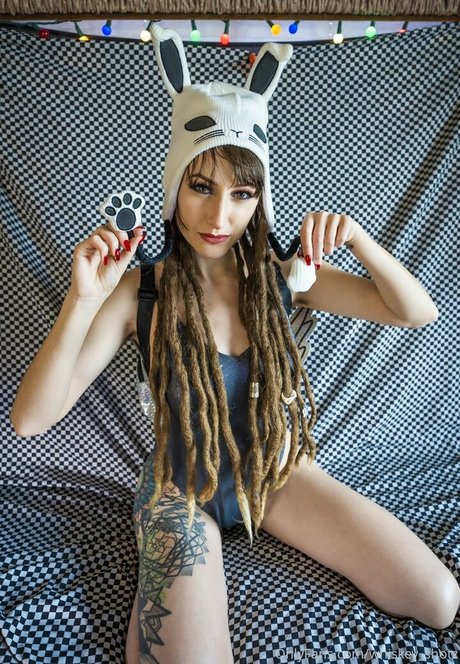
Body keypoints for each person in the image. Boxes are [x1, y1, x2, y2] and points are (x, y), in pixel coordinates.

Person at [10, 25, 459, 664]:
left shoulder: (284, 277)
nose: (219, 217)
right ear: (174, 185)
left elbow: (417, 312)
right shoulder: (139, 290)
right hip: (178, 490)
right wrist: (80, 302)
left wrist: (358, 238)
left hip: (276, 477)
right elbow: (30, 420)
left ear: (260, 197)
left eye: (242, 194)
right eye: (201, 187)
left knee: (439, 598)